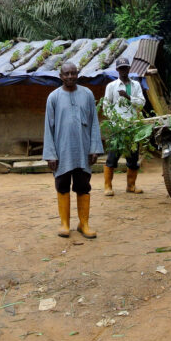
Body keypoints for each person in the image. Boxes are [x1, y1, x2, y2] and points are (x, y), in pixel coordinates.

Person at [43, 62, 104, 238]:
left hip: (83, 151)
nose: (70, 77)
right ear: (60, 76)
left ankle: (83, 223)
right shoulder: (53, 97)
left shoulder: (87, 95)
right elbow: (48, 127)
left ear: (78, 74)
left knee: (83, 186)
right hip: (62, 152)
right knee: (62, 186)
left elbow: (94, 123)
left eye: (73, 73)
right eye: (66, 74)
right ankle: (64, 224)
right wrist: (50, 154)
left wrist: (94, 148)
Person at [102, 57, 146, 196]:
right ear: (117, 70)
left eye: (125, 68)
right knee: (112, 157)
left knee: (133, 158)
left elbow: (141, 103)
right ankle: (108, 186)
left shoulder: (136, 86)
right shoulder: (111, 86)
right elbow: (106, 107)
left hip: (132, 127)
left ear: (129, 69)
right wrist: (115, 121)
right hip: (118, 127)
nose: (123, 70)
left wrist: (128, 97)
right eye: (120, 68)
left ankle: (131, 186)